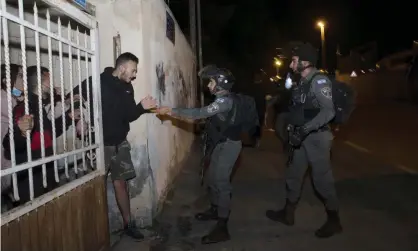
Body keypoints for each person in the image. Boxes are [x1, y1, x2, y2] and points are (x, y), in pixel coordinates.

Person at [156, 65, 243, 245]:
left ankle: (222, 226)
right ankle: (215, 209)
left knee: (221, 182)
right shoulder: (220, 99)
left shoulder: (224, 101)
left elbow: (199, 114)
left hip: (229, 146)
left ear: (220, 84)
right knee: (212, 179)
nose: (209, 85)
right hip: (220, 143)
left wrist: (171, 111)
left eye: (211, 81)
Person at [74, 52, 157, 240]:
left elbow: (129, 116)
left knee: (121, 184)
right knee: (95, 187)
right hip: (99, 146)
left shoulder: (128, 87)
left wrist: (142, 107)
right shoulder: (97, 80)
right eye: (133, 70)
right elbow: (75, 96)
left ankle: (128, 224)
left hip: (120, 143)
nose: (134, 75)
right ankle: (93, 230)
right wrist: (80, 117)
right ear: (122, 67)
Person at [265, 42, 342, 238]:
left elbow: (329, 111)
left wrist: (305, 129)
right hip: (300, 137)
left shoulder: (319, 81)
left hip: (316, 138)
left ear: (305, 62)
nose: (291, 65)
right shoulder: (302, 82)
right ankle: (288, 214)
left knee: (321, 180)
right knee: (293, 174)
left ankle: (334, 221)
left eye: (294, 61)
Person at [3, 65, 78, 204]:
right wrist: (21, 132)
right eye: (49, 79)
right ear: (40, 82)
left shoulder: (37, 106)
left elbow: (48, 133)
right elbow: (9, 143)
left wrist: (69, 117)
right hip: (30, 174)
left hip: (44, 167)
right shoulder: (23, 107)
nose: (53, 83)